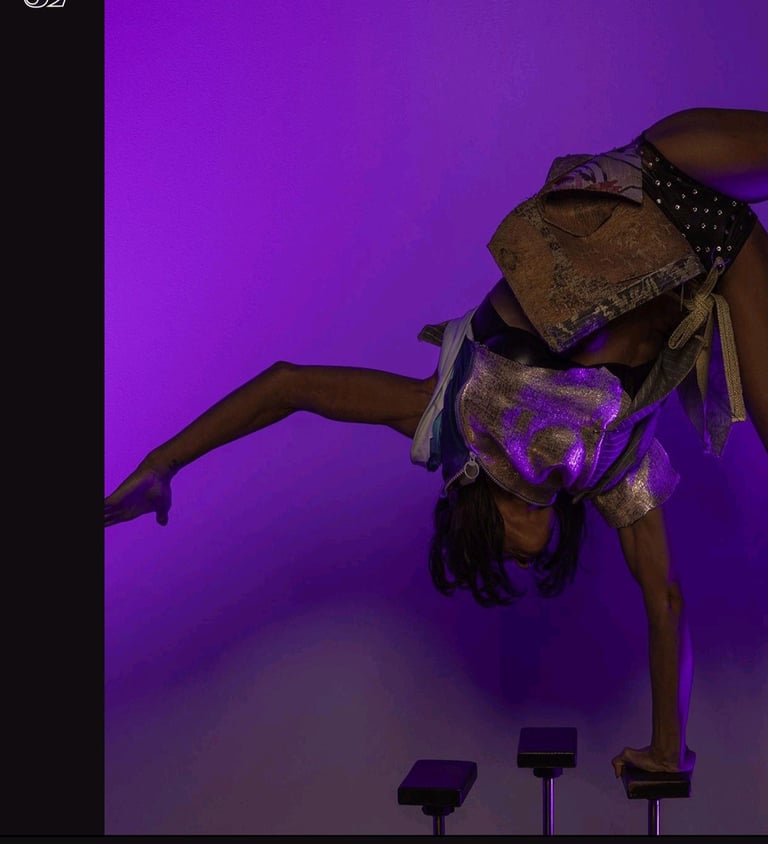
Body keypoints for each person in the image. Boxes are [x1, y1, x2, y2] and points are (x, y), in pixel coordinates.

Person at [104, 106, 767, 784]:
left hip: (656, 180)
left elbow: (289, 386)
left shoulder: (453, 411)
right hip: (723, 255)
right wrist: (666, 750)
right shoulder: (611, 470)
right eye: (531, 550)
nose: (525, 553)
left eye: (504, 550)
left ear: (477, 521)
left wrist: (163, 463)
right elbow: (665, 602)